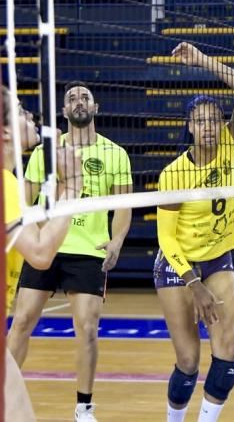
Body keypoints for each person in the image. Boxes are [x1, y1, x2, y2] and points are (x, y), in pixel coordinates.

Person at [8, 81, 133, 422]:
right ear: (64, 111)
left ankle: (84, 407)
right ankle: (4, 393)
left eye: (85, 98)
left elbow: (124, 206)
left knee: (88, 328)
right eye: (72, 98)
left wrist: (117, 240)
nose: (79, 102)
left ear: (96, 108)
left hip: (89, 251)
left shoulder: (115, 154)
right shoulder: (44, 152)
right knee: (20, 322)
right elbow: (24, 201)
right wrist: (32, 237)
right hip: (47, 245)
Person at [154, 41, 234, 422]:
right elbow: (166, 239)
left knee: (228, 353)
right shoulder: (173, 174)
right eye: (200, 121)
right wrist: (192, 283)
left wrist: (201, 60)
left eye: (215, 119)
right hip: (176, 266)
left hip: (218, 260)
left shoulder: (230, 144)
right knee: (187, 361)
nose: (209, 127)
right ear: (190, 127)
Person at [2, 85, 82, 422]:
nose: (30, 115)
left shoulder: (9, 183)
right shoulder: (4, 184)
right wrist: (74, 185)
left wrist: (66, 188)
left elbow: (39, 241)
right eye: (20, 111)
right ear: (5, 132)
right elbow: (40, 254)